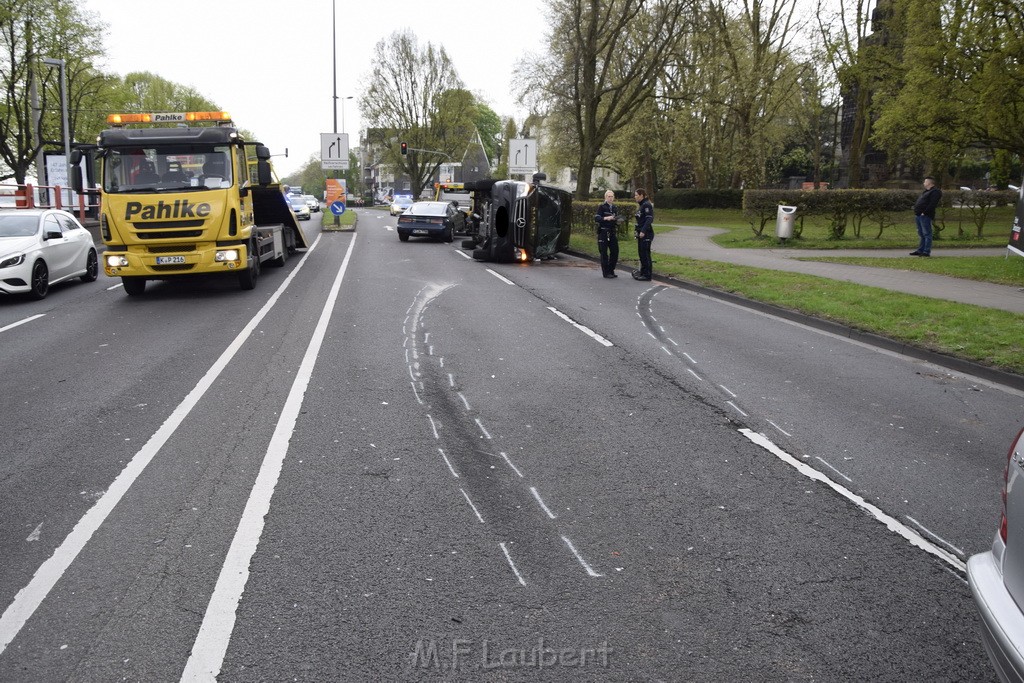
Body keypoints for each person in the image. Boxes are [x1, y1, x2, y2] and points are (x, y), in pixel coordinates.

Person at [911, 176, 942, 257]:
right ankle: (920, 250)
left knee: (927, 233)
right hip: (918, 215)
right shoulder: (926, 192)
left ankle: (926, 251)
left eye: (925, 182)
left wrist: (925, 212)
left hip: (925, 215)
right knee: (921, 233)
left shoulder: (935, 192)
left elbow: (932, 204)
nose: (924, 183)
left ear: (929, 183)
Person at [595, 190, 620, 278]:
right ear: (605, 197)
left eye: (612, 196)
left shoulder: (615, 208)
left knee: (615, 251)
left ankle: (611, 270)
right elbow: (597, 218)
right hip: (603, 231)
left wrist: (618, 220)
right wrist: (606, 218)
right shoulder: (601, 207)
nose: (610, 198)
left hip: (612, 231)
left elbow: (616, 218)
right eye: (609, 196)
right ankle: (606, 273)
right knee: (604, 253)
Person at [633, 188, 654, 280]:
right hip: (640, 233)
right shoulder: (641, 205)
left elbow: (649, 219)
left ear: (641, 195)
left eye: (636, 195)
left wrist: (643, 231)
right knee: (641, 253)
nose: (635, 197)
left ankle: (647, 275)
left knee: (645, 254)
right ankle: (643, 272)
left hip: (646, 233)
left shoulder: (646, 205)